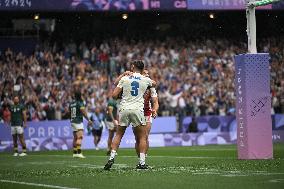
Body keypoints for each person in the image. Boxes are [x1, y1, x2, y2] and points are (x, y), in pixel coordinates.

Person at [104, 60, 156, 170]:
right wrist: (144, 77)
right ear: (143, 69)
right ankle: (142, 162)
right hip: (138, 109)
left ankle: (111, 158)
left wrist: (125, 75)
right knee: (142, 137)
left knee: (118, 134)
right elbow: (155, 83)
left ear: (132, 67)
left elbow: (114, 95)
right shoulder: (145, 79)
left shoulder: (125, 78)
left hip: (124, 108)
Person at [134, 69, 159, 160]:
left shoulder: (151, 87)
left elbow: (155, 101)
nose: (147, 75)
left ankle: (143, 158)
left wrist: (155, 110)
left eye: (148, 74)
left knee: (145, 136)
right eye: (145, 73)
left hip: (147, 113)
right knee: (138, 138)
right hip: (136, 113)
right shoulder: (135, 84)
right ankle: (140, 158)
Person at [69, 90, 93, 158]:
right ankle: (79, 153)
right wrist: (88, 119)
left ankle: (75, 152)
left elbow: (69, 113)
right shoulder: (80, 103)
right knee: (80, 137)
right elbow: (83, 112)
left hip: (73, 121)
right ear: (80, 96)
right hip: (78, 121)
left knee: (75, 137)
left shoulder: (71, 103)